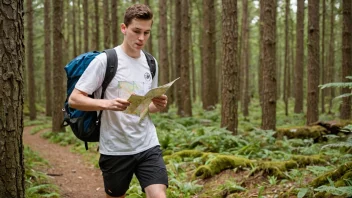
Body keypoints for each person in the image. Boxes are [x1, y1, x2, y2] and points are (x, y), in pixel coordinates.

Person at [68, 4, 168, 198]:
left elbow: (146, 107)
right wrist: (107, 104)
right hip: (115, 148)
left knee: (159, 195)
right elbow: (75, 99)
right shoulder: (106, 61)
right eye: (136, 31)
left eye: (146, 33)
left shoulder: (150, 62)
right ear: (124, 28)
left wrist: (158, 104)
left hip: (147, 143)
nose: (141, 38)